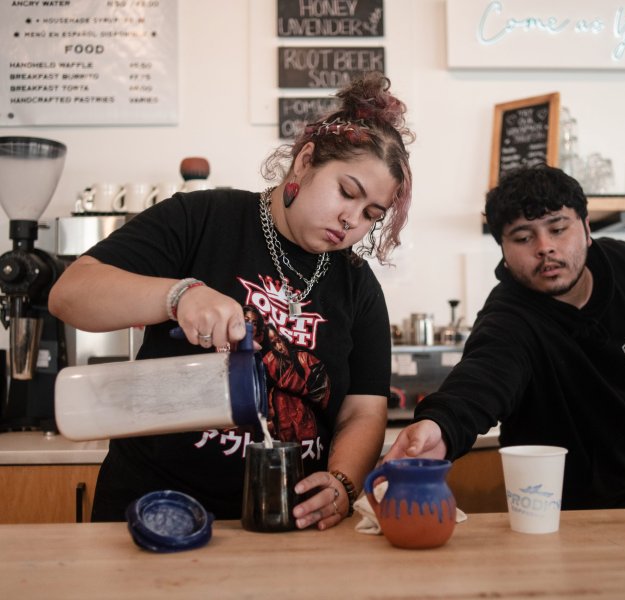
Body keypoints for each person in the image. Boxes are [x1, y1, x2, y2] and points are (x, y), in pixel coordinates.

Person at [48, 72, 414, 529]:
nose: (351, 220)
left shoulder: (358, 286)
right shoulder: (202, 218)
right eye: (347, 192)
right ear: (304, 162)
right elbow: (71, 294)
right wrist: (178, 295)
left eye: (370, 215)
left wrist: (341, 482)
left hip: (286, 521)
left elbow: (363, 409)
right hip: (153, 511)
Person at [384, 164, 625, 510]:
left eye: (558, 229)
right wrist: (440, 425)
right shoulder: (508, 318)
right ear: (504, 250)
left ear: (587, 229)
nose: (545, 247)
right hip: (556, 506)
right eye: (524, 238)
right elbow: (479, 381)